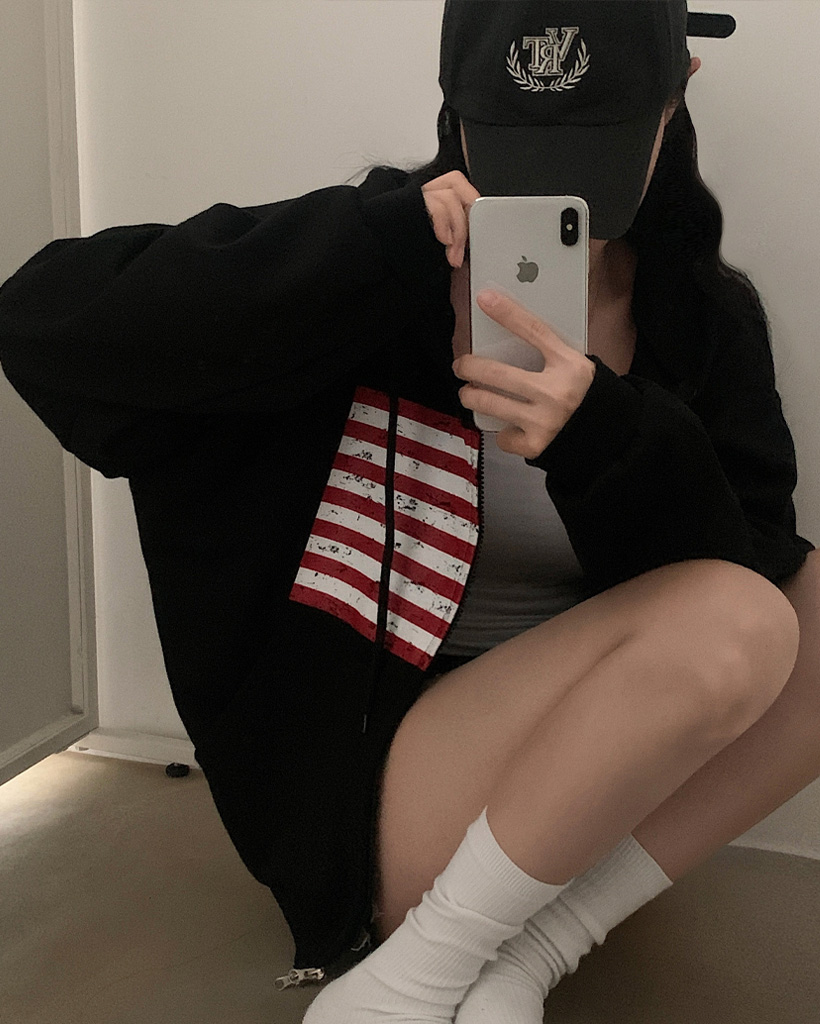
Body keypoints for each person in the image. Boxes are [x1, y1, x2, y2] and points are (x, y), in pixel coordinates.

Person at [0, 2, 816, 1021]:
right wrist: (366, 248)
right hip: (385, 783)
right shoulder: (368, 271)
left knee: (773, 606)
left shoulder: (700, 318)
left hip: (602, 776)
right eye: (513, 142)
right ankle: (412, 977)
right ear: (455, 107)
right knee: (734, 616)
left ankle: (531, 950)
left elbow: (749, 572)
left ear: (676, 94)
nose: (552, 186)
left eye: (593, 146)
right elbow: (43, 322)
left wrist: (609, 436)